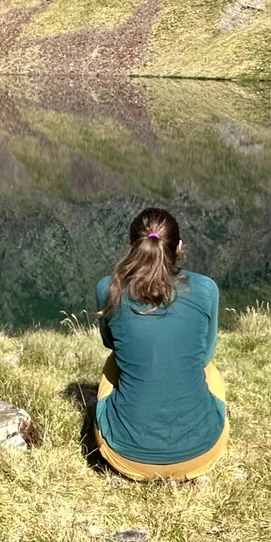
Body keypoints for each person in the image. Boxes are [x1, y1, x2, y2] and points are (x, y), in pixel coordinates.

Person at [93, 206, 228, 481]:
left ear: (134, 246)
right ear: (179, 247)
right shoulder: (206, 289)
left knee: (112, 364)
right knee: (211, 372)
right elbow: (205, 355)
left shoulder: (109, 288)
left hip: (125, 456)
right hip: (201, 454)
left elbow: (110, 343)